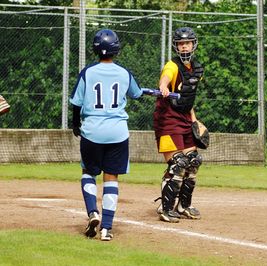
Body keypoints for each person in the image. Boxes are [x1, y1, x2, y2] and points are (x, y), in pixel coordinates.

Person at [70, 29, 143, 240]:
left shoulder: (88, 72)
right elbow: (136, 93)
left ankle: (93, 212)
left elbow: (76, 102)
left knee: (88, 172)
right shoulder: (123, 73)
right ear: (116, 49)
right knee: (111, 177)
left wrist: (76, 125)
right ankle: (106, 228)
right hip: (117, 133)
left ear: (95, 49)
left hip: (92, 131)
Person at [153, 27, 204, 223]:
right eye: (181, 43)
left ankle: (184, 205)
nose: (184, 47)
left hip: (184, 117)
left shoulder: (197, 69)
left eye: (188, 43)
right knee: (178, 163)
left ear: (193, 45)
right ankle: (166, 208)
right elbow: (165, 79)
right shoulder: (172, 66)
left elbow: (188, 98)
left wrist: (195, 121)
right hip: (167, 119)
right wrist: (164, 87)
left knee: (193, 160)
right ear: (176, 46)